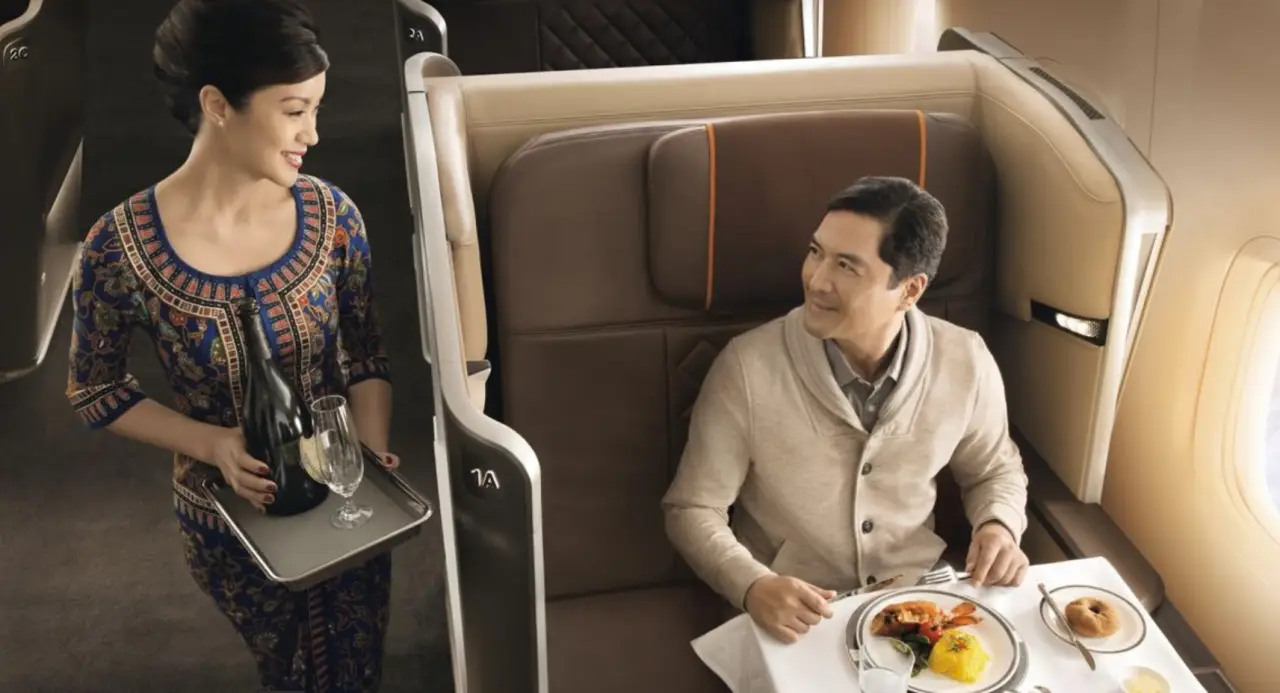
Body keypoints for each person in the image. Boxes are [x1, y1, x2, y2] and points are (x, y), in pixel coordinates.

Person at [65, 1, 399, 690]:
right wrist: (212, 442)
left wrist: (367, 457)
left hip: (350, 508)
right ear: (217, 103)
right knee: (291, 669)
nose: (314, 131)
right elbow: (95, 390)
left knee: (355, 669)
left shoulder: (336, 219)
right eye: (294, 110)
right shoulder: (115, 249)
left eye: (316, 108)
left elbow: (366, 357)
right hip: (230, 524)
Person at [661, 176, 1029, 645]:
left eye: (847, 267)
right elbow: (691, 507)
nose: (816, 280)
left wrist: (999, 525)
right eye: (816, 252)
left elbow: (994, 470)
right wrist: (752, 585)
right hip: (793, 615)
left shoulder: (967, 359)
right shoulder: (747, 367)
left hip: (916, 598)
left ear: (910, 290)